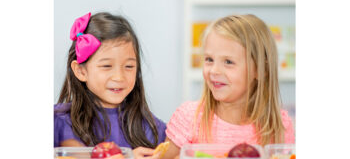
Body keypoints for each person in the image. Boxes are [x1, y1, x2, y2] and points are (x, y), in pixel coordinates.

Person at [163, 14, 295, 158]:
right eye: (209, 59)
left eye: (228, 62)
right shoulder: (189, 118)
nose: (214, 70)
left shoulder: (279, 126)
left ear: (259, 69)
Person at [54, 12, 166, 159]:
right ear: (81, 71)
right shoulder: (59, 123)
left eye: (129, 66)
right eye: (107, 66)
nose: (119, 77)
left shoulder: (151, 128)